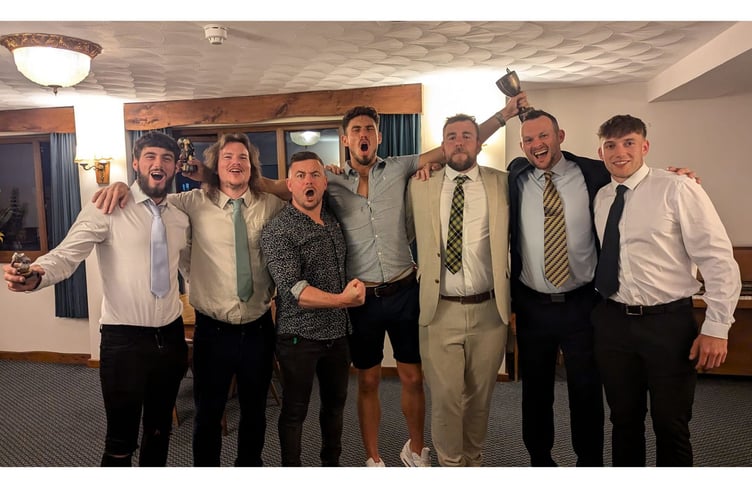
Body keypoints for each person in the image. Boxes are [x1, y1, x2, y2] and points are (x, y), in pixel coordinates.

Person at [328, 95, 527, 467]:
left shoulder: (405, 169)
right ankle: (374, 459)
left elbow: (460, 144)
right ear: (345, 139)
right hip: (365, 299)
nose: (363, 134)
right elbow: (287, 187)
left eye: (369, 128)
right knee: (369, 382)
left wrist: (503, 115)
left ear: (379, 137)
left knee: (415, 379)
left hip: (408, 292)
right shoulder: (331, 181)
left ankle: (417, 452)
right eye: (355, 130)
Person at [93, 133, 286, 466]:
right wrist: (123, 186)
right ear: (214, 166)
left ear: (253, 166)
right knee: (208, 415)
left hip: (258, 329)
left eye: (243, 157)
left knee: (255, 414)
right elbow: (150, 197)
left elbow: (296, 191)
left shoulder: (271, 205)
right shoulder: (190, 203)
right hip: (212, 332)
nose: (235, 163)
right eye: (227, 158)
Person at [4, 132, 190, 467]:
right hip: (124, 341)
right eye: (150, 156)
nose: (157, 164)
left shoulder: (179, 216)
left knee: (160, 431)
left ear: (175, 166)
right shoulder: (106, 206)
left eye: (165, 158)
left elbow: (191, 268)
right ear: (135, 163)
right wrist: (37, 274)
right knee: (120, 440)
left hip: (172, 337)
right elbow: (67, 253)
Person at [591, 114, 741, 466]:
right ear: (601, 152)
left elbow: (717, 258)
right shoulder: (602, 197)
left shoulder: (679, 188)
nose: (620, 152)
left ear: (645, 146)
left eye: (629, 143)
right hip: (613, 324)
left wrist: (718, 328)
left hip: (667, 324)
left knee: (670, 424)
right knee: (623, 421)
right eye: (611, 145)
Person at [408, 113, 510, 466]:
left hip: (490, 312)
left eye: (467, 135)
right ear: (443, 144)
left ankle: (474, 461)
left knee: (479, 399)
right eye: (451, 136)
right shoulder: (419, 185)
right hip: (440, 310)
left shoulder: (503, 183)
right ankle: (451, 465)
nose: (459, 141)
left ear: (478, 142)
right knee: (448, 398)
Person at [507, 109, 606, 466]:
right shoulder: (514, 177)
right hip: (533, 305)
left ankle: (590, 463)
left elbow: (636, 177)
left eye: (543, 136)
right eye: (529, 140)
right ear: (522, 146)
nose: (537, 145)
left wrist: (678, 178)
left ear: (560, 136)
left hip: (583, 303)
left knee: (586, 390)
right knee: (535, 392)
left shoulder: (593, 173)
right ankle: (540, 462)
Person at [260, 151, 365, 466]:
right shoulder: (277, 230)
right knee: (294, 411)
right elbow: (296, 291)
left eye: (315, 175)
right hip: (298, 338)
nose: (309, 181)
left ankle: (330, 466)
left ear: (324, 182)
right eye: (301, 176)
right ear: (289, 184)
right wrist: (343, 301)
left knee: (335, 407)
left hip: (338, 335)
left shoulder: (332, 217)